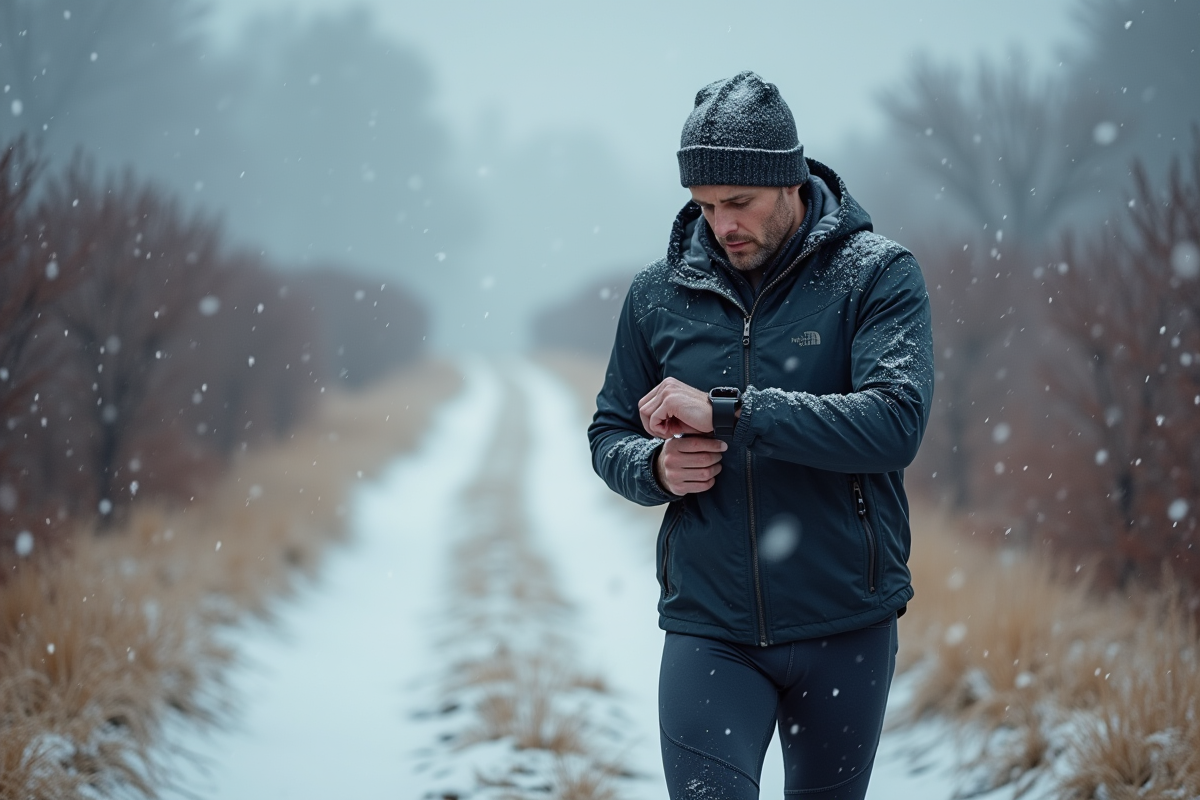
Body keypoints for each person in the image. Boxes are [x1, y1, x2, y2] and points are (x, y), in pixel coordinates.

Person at [587, 71, 934, 799]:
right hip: (710, 628)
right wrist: (653, 467)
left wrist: (732, 413)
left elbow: (894, 423)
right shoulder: (656, 295)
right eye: (704, 205)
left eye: (739, 202)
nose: (722, 225)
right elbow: (609, 432)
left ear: (790, 181)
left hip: (845, 625)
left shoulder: (876, 275)